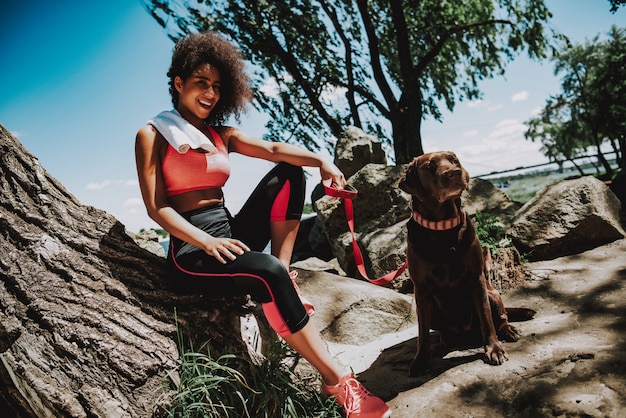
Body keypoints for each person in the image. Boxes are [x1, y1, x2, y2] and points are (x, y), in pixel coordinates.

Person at [135, 31, 391, 418]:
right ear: (178, 83)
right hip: (191, 249)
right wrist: (205, 242)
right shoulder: (152, 135)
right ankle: (338, 382)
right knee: (266, 271)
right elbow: (157, 209)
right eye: (201, 83)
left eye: (217, 86)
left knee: (291, 173)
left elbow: (273, 150)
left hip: (228, 232)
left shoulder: (219, 134)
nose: (210, 93)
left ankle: (284, 271)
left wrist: (322, 160)